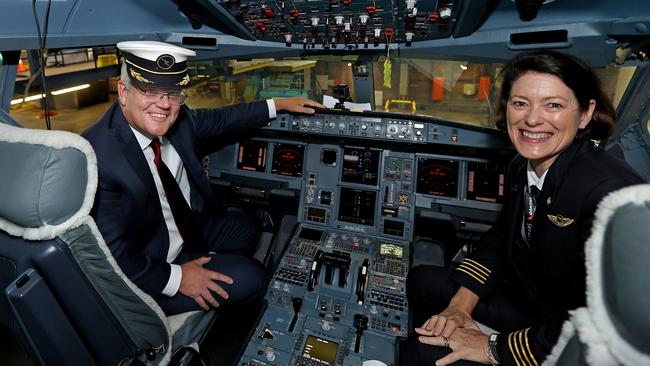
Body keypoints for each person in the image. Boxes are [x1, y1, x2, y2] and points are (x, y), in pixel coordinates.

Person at [401, 50, 643, 366]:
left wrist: (491, 347)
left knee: (424, 354)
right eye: (520, 103)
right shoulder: (522, 168)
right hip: (536, 305)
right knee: (422, 281)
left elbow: (605, 325)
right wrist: (460, 306)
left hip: (573, 338)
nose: (532, 119)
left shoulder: (608, 191)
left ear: (585, 114)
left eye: (553, 105)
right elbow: (500, 240)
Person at [83, 41, 325, 315]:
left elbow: (221, 119)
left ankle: (208, 259)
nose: (164, 104)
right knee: (254, 278)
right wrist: (177, 278)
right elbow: (109, 258)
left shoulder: (178, 119)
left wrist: (278, 104)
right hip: (151, 266)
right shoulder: (96, 158)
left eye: (173, 93)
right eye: (150, 90)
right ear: (123, 92)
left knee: (249, 227)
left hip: (188, 227)